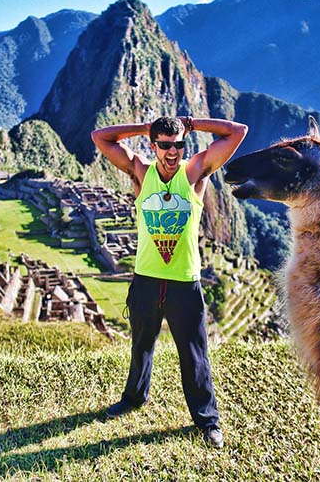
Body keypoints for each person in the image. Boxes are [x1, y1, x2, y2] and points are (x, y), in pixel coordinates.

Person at [91, 115, 247, 448]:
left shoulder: (193, 175)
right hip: (146, 278)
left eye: (178, 144)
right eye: (164, 145)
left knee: (194, 354)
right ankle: (133, 398)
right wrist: (140, 128)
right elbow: (100, 137)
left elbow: (237, 132)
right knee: (141, 345)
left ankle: (207, 421)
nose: (172, 151)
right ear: (154, 146)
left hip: (183, 282)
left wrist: (192, 123)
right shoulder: (142, 173)